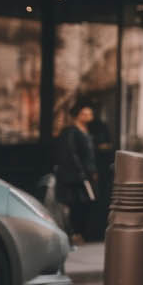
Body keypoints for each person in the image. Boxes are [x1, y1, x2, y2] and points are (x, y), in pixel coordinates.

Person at [54, 102, 98, 246]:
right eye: (85, 114)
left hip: (87, 174)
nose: (89, 116)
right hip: (76, 177)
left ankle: (81, 233)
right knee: (76, 204)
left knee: (86, 204)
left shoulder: (87, 131)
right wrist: (81, 173)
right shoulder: (71, 132)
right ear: (78, 116)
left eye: (90, 113)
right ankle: (75, 234)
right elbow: (71, 154)